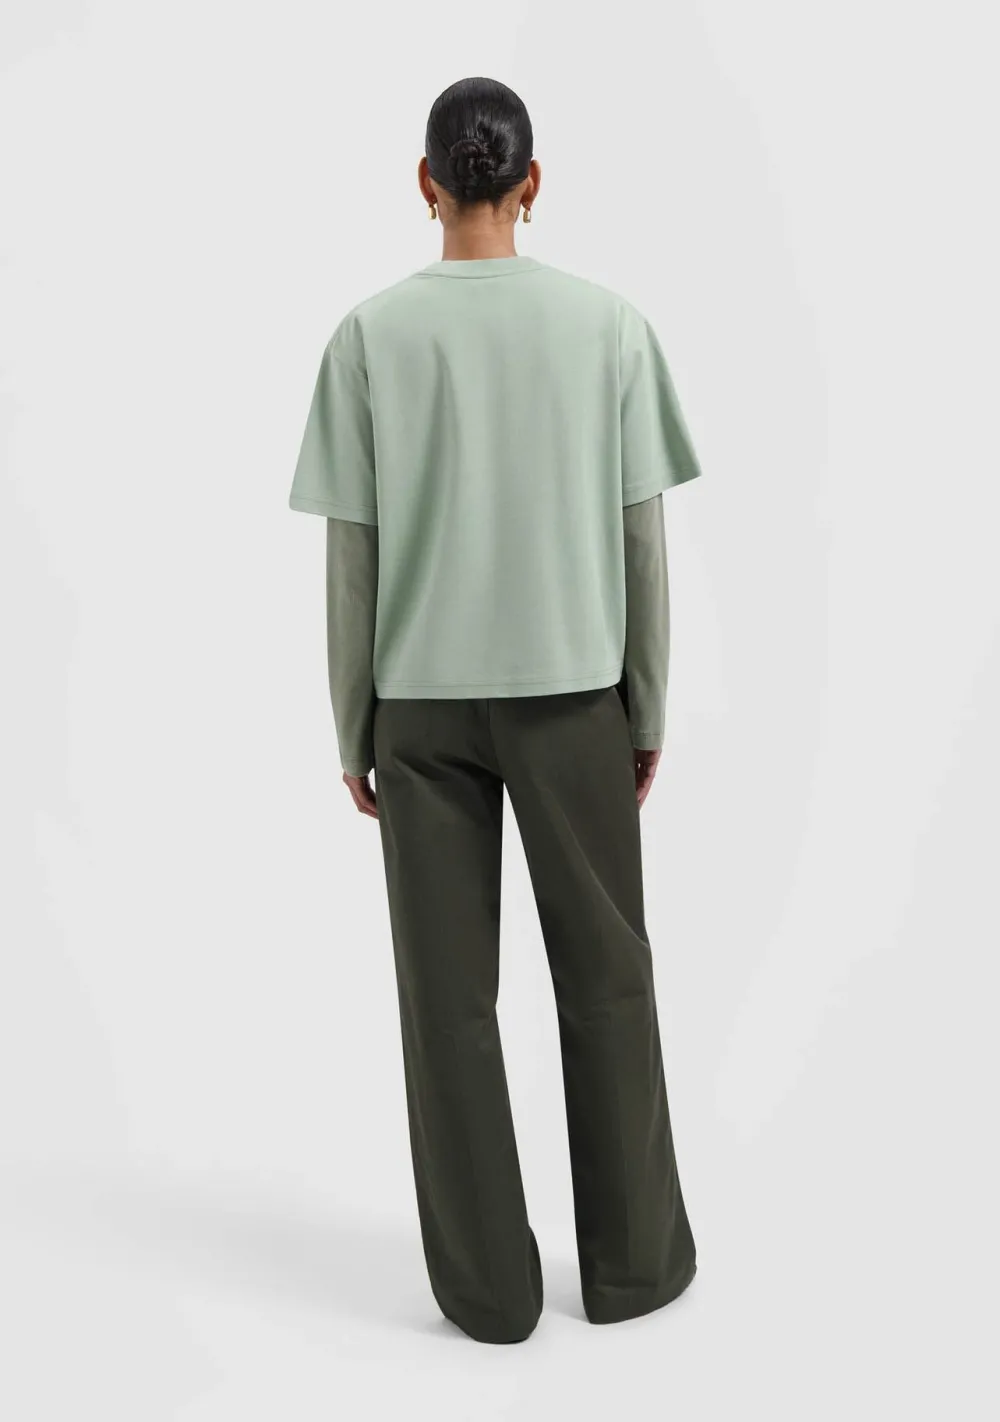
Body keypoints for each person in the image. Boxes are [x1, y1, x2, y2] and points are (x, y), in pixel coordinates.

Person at [288, 76, 701, 1345]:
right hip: (575, 699)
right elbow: (642, 547)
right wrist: (645, 710)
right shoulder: (608, 327)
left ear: (425, 184)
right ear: (533, 183)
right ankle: (632, 1268)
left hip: (418, 709)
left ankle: (487, 1297)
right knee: (609, 979)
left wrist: (352, 725)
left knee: (447, 1005)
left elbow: (351, 562)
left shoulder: (368, 337)